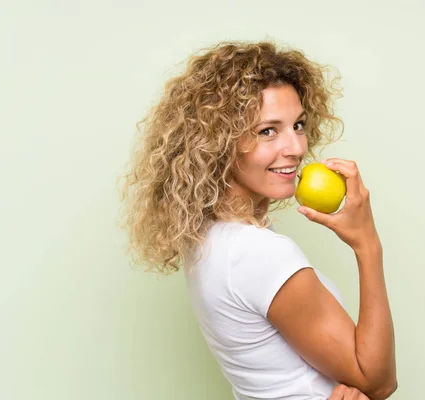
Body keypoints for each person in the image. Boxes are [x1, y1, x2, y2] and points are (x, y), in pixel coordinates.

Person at [119, 40, 397, 399]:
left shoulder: (212, 239)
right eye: (268, 130)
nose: (296, 147)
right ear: (219, 143)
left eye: (298, 125)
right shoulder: (258, 252)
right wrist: (367, 243)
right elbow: (377, 380)